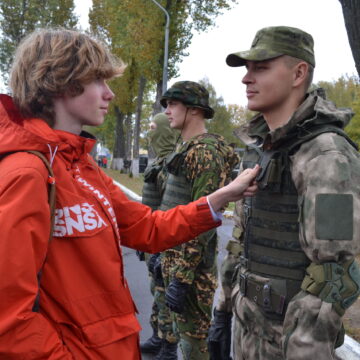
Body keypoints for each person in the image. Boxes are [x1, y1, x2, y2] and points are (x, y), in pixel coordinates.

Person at [0, 28, 259, 359]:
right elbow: (8, 320)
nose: (109, 94)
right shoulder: (27, 173)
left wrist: (219, 198)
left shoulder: (82, 166)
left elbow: (148, 228)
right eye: (98, 81)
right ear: (61, 82)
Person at [208, 25, 360, 360]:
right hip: (247, 330)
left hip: (289, 344)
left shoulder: (326, 156)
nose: (247, 79)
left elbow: (334, 273)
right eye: (247, 70)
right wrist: (222, 309)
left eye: (260, 68)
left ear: (298, 73)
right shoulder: (263, 149)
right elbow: (241, 241)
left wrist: (302, 349)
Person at [157, 81, 240, 359]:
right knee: (183, 342)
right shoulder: (186, 148)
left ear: (193, 110)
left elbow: (204, 219)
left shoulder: (206, 153)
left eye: (172, 104)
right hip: (176, 261)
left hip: (191, 272)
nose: (167, 111)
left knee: (195, 347)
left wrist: (181, 277)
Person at [138, 112, 180, 355]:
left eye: (154, 128)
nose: (150, 134)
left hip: (166, 244)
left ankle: (169, 346)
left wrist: (163, 252)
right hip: (151, 240)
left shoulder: (171, 166)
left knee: (166, 296)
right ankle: (157, 336)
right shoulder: (157, 164)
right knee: (157, 292)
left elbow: (172, 211)